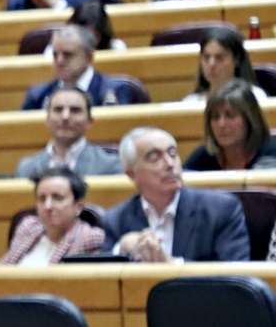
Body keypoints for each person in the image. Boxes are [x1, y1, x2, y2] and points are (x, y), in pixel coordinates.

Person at [103, 126, 249, 261]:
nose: (169, 164)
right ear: (131, 174)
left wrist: (171, 264)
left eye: (172, 154)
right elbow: (100, 281)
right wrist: (120, 249)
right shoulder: (115, 221)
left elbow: (236, 276)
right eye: (155, 158)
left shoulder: (220, 210)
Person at [0, 165, 108, 266]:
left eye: (57, 198)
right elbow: (1, 271)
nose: (48, 206)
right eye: (42, 199)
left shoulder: (88, 238)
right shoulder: (28, 227)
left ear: (78, 206)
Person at [14, 87, 124, 179]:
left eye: (75, 110)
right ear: (47, 119)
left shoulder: (110, 167)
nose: (65, 117)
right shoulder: (26, 169)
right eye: (58, 110)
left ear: (89, 121)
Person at [21, 26, 139, 110]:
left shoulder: (115, 91)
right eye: (55, 55)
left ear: (89, 57)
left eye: (68, 55)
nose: (59, 61)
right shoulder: (38, 95)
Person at [184, 80, 276, 171]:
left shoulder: (270, 153)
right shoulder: (202, 156)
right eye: (215, 117)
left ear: (250, 119)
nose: (221, 124)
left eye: (230, 116)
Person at [182, 27, 268, 104]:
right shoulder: (190, 103)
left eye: (219, 57)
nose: (211, 64)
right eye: (206, 57)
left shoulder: (256, 98)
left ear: (236, 60)